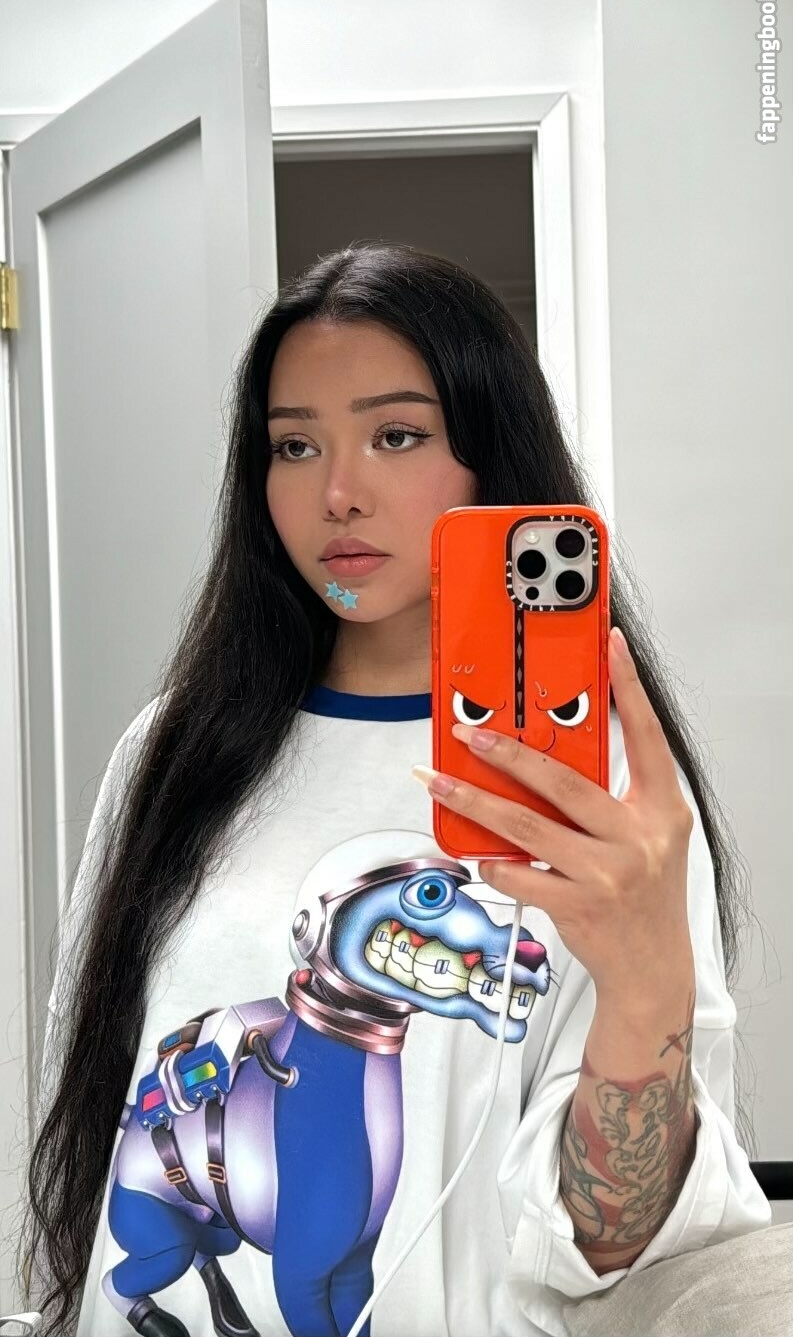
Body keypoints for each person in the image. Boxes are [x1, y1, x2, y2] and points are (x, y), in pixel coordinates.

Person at [17, 241, 772, 1337]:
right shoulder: (171, 750)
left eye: (396, 435)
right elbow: (87, 1091)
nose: (337, 493)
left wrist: (648, 978)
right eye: (293, 445)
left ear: (488, 457)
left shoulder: (605, 789)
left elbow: (615, 1241)